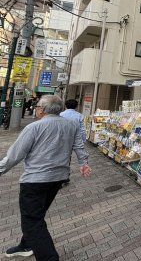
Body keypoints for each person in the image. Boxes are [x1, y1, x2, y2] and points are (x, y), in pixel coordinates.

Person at [0, 95, 91, 260]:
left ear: (42, 109)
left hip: (35, 180)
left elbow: (14, 155)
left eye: (37, 107)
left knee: (31, 221)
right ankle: (26, 245)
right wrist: (83, 163)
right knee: (37, 215)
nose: (36, 109)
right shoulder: (71, 125)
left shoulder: (34, 127)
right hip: (59, 179)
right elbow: (79, 145)